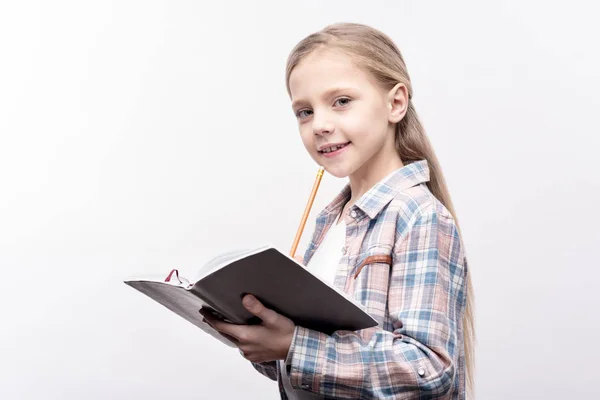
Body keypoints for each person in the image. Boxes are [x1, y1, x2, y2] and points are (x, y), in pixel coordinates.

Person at [200, 22, 475, 399]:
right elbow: (314, 370)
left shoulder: (418, 216)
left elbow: (427, 366)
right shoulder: (330, 221)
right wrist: (257, 332)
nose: (320, 125)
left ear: (395, 103)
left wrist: (295, 345)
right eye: (304, 111)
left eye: (341, 101)